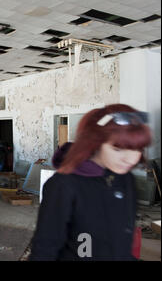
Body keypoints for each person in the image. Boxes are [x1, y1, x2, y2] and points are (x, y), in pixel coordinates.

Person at [30, 104, 151, 261]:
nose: (131, 159)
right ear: (95, 142)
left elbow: (121, 244)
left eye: (138, 149)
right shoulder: (64, 185)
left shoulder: (125, 179)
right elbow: (44, 249)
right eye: (117, 149)